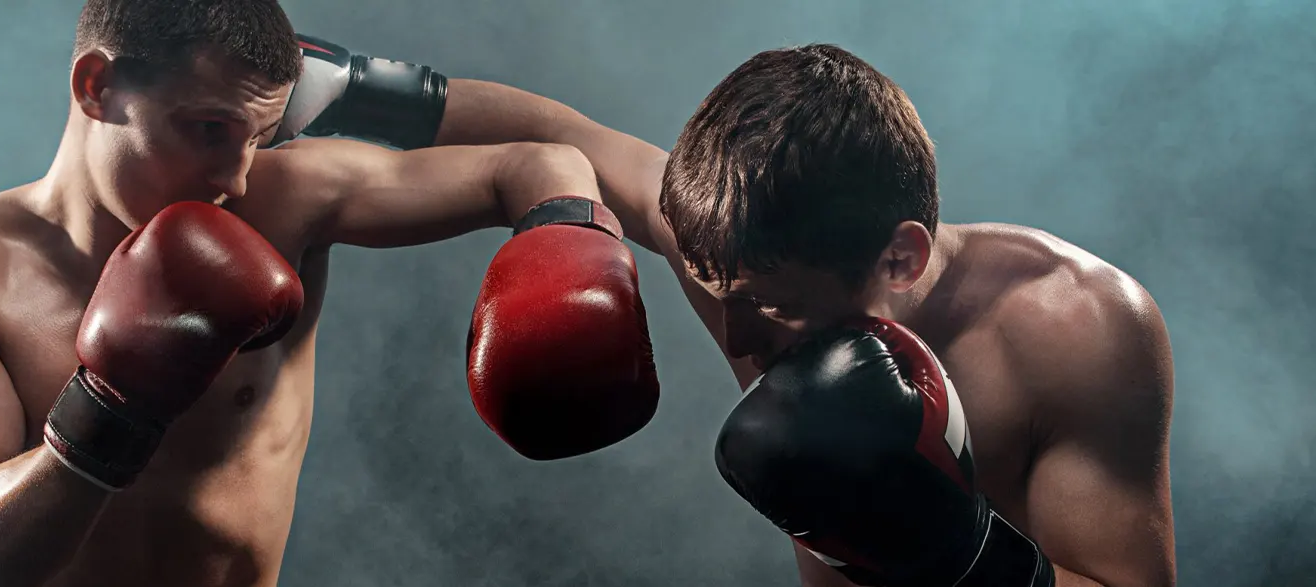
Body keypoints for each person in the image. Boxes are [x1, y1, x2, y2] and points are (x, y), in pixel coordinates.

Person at [0, 1, 659, 585]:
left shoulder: (286, 201)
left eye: (257, 136)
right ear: (96, 86)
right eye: (209, 129)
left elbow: (536, 161)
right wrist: (111, 406)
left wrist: (564, 239)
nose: (235, 176)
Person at [332, 41, 1176, 585]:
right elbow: (575, 135)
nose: (738, 343)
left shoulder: (1077, 329)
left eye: (774, 310)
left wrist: (962, 555)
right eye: (720, 295)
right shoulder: (743, 259)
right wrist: (340, 87)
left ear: (901, 258)